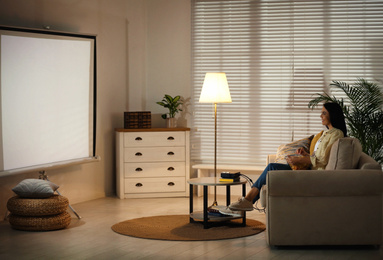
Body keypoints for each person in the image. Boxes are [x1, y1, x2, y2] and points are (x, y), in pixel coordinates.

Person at [226, 102, 347, 212]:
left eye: (324, 113)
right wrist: (306, 155)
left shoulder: (336, 133)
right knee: (271, 167)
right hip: (310, 171)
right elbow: (319, 156)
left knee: (271, 167)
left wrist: (299, 160)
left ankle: (247, 200)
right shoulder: (326, 133)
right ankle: (247, 201)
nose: (321, 116)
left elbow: (323, 160)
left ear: (333, 114)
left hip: (313, 175)